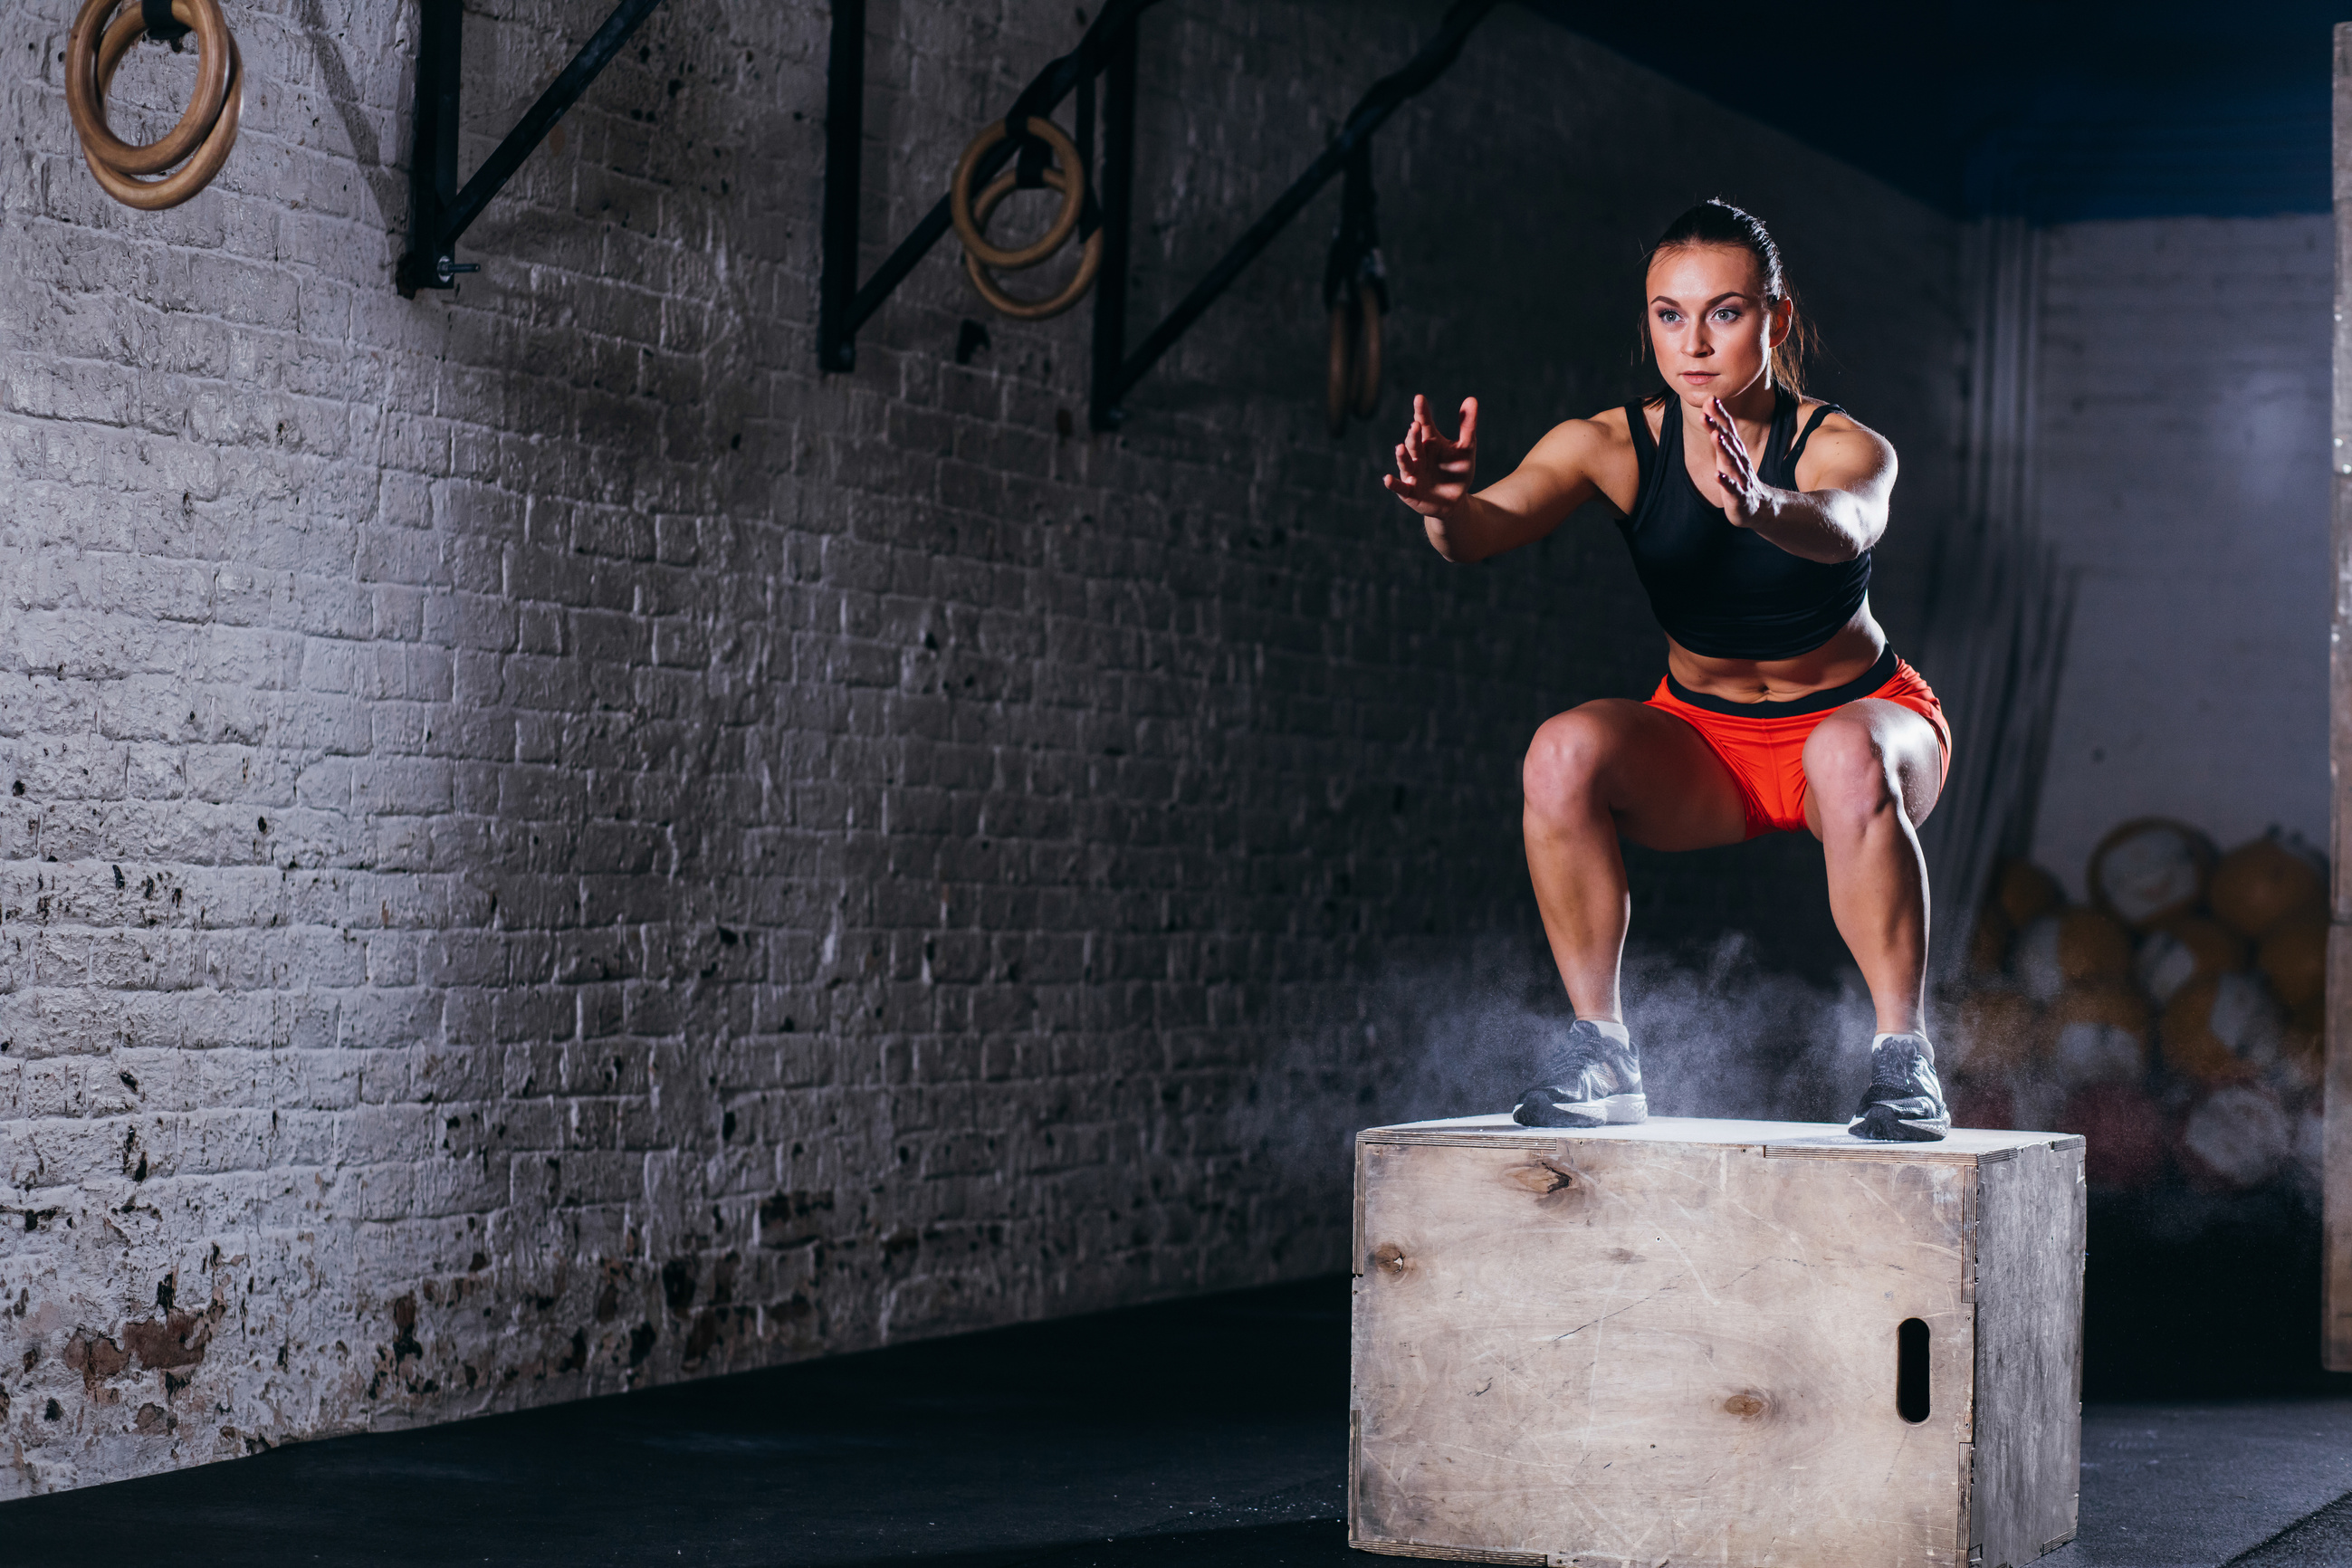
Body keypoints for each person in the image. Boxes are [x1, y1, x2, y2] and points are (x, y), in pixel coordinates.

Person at [1382, 199, 1952, 1142]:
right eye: (1669, 314)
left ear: (1775, 319)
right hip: (1709, 746)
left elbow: (1850, 521)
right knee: (1561, 752)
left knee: (1846, 753)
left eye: (1724, 312)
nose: (1694, 342)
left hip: (1865, 727)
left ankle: (1904, 1062)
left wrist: (1765, 508)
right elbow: (1484, 530)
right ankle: (1602, 1048)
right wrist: (1443, 507)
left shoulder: (1846, 445)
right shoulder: (1609, 444)